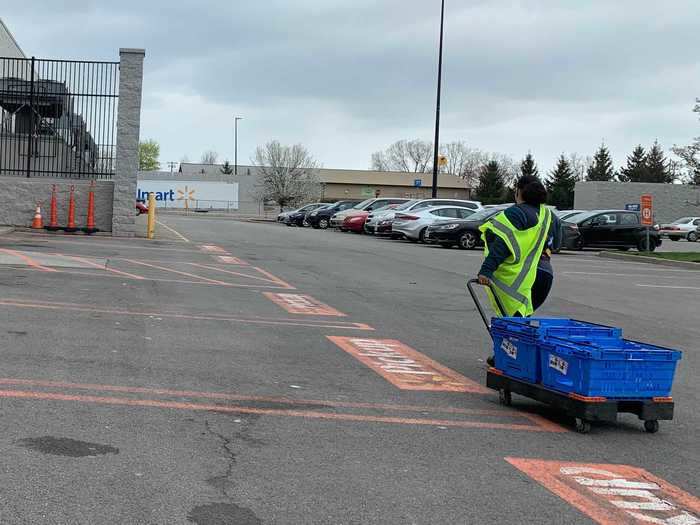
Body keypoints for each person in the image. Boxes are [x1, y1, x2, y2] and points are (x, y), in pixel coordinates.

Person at [477, 175, 560, 321]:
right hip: (544, 275)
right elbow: (557, 243)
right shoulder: (549, 215)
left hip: (518, 280)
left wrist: (486, 270)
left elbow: (502, 243)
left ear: (519, 191)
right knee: (521, 327)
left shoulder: (516, 213)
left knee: (513, 328)